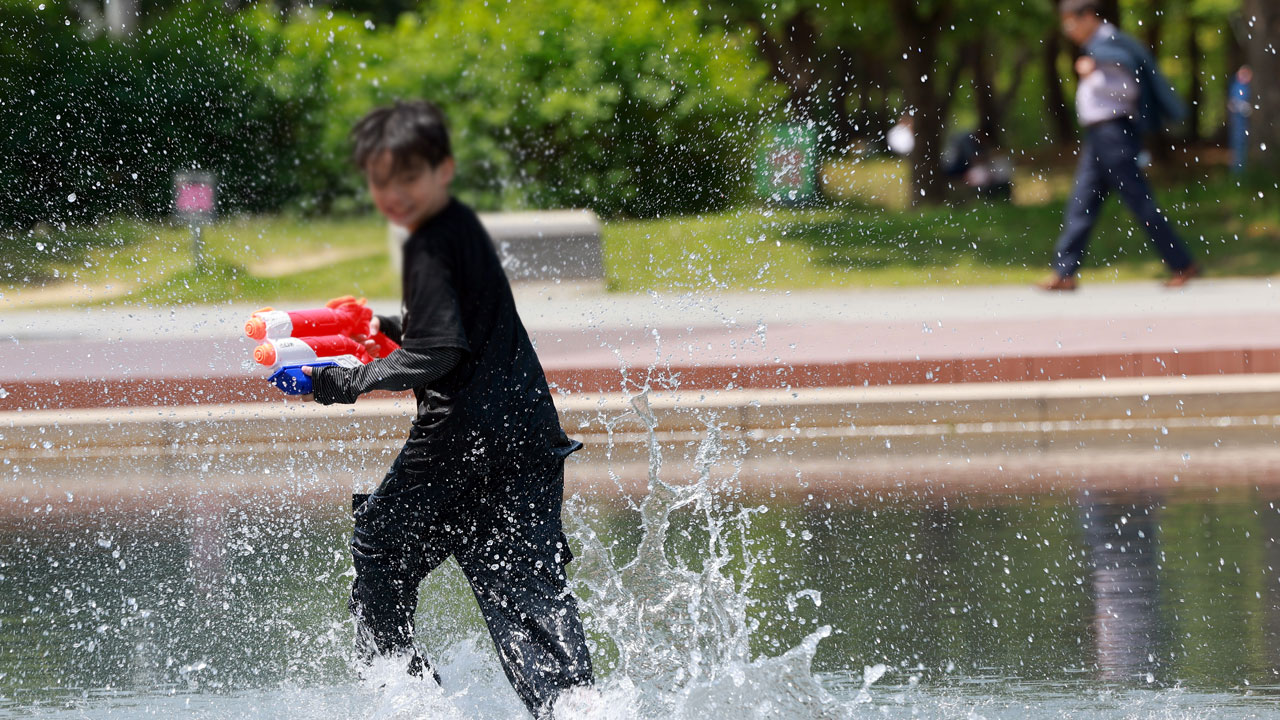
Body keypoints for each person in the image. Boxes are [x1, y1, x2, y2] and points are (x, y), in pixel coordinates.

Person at [297, 100, 593, 717]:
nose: (394, 194)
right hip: (526, 433)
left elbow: (439, 351)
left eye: (407, 177)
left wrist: (345, 381)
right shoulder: (460, 229)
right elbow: (459, 327)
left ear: (443, 170)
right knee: (524, 591)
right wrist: (384, 327)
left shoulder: (429, 245)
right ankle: (579, 708)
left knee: (380, 548)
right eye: (381, 180)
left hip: (458, 440)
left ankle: (408, 698)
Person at [1039, 0, 1200, 291]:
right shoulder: (1098, 48)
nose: (1068, 30)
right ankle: (1064, 272)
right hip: (1098, 137)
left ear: (1088, 17)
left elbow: (1131, 88)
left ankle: (1182, 264)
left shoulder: (1112, 46)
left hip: (1114, 133)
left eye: (1071, 22)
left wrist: (1093, 75)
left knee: (1139, 201)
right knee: (1082, 203)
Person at [1229, 65, 1253, 175]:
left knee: (1243, 145)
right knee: (1238, 144)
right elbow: (1232, 104)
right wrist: (1243, 107)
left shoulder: (1245, 87)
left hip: (1243, 122)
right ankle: (1237, 172)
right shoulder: (1237, 86)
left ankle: (1241, 171)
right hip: (1238, 121)